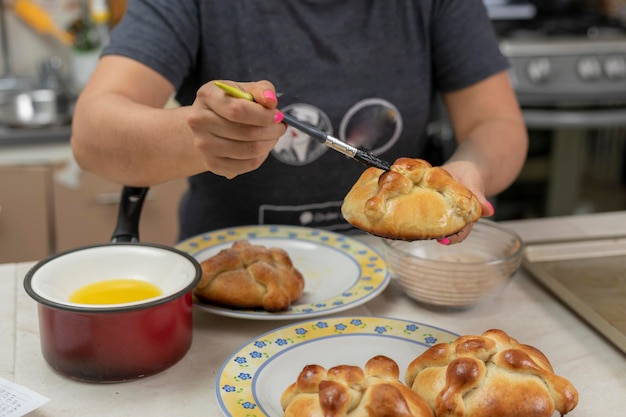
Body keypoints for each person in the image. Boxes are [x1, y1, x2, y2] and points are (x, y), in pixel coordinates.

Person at [71, 0, 528, 245]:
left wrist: (470, 175)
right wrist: (199, 135)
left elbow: (496, 122)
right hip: (227, 292)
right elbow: (93, 132)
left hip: (398, 286)